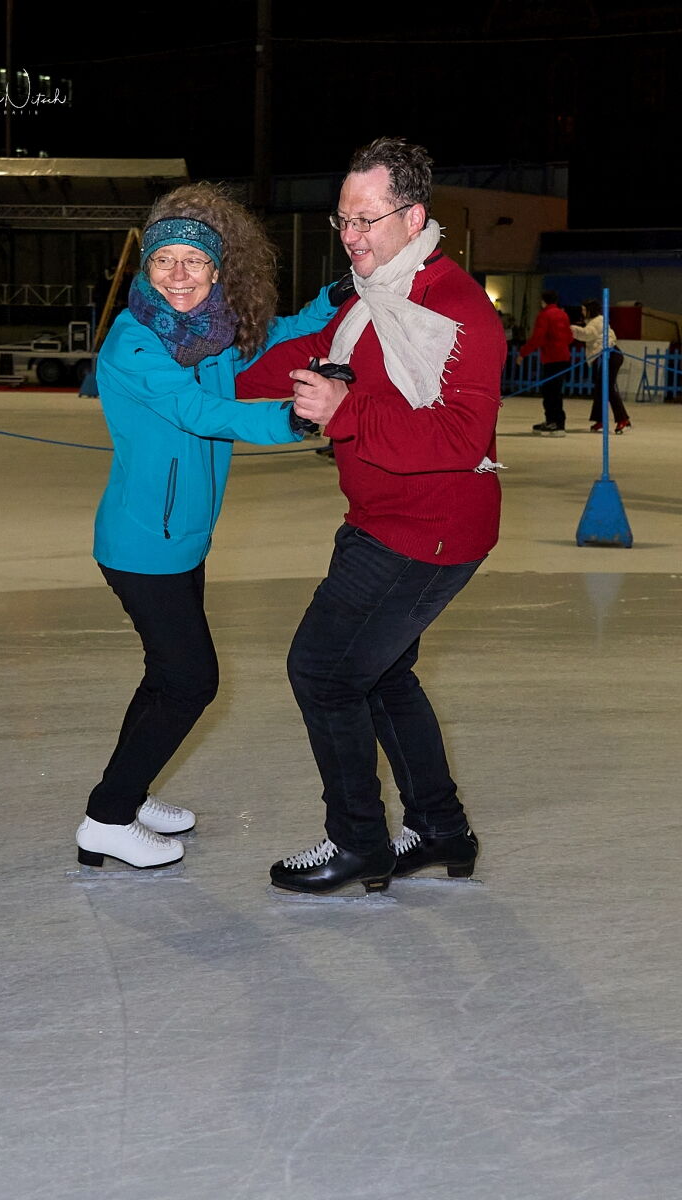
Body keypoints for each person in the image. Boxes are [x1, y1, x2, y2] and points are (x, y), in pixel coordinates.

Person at [236, 136, 507, 895]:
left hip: (428, 530)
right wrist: (212, 367)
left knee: (323, 672)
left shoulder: (458, 310)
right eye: (343, 220)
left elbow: (462, 437)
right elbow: (308, 354)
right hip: (382, 519)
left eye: (367, 220)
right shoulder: (370, 299)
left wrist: (347, 411)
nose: (351, 236)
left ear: (413, 216)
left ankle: (358, 842)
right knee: (382, 674)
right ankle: (440, 829)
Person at [75, 182, 345, 871]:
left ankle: (126, 792)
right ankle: (106, 820)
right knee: (191, 681)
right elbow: (199, 413)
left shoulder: (212, 334)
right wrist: (291, 418)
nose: (179, 275)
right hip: (143, 543)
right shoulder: (136, 344)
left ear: (218, 272)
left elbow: (273, 337)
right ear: (145, 268)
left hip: (183, 536)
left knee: (164, 676)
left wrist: (329, 301)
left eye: (195, 261)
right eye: (165, 261)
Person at [516, 290, 573, 436]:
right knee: (556, 391)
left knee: (549, 392)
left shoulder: (545, 315)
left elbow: (538, 338)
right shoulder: (563, 314)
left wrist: (523, 353)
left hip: (551, 358)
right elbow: (569, 336)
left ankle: (555, 422)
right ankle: (555, 421)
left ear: (543, 301)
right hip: (564, 357)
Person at [571, 298, 631, 433]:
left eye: (584, 309)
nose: (582, 312)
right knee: (600, 388)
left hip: (611, 355)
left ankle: (623, 419)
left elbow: (587, 334)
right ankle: (600, 420)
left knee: (608, 388)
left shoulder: (598, 321)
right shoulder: (592, 321)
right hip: (606, 356)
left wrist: (571, 329)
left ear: (590, 310)